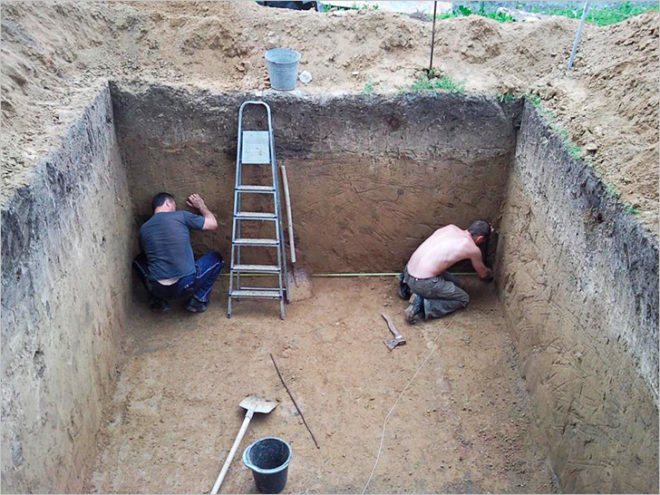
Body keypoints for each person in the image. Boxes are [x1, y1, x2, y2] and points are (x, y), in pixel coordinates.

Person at [133, 192, 223, 314]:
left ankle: (157, 300)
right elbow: (212, 224)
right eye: (174, 205)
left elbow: (148, 256)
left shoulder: (143, 229)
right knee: (216, 258)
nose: (175, 208)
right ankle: (199, 300)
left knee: (138, 261)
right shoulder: (181, 216)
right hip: (185, 285)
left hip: (157, 288)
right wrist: (201, 206)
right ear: (168, 203)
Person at [399, 220, 493, 324]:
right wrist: (490, 273)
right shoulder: (472, 249)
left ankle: (405, 287)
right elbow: (483, 274)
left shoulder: (450, 228)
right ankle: (421, 304)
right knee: (463, 298)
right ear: (480, 238)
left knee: (455, 284)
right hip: (422, 282)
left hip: (408, 271)